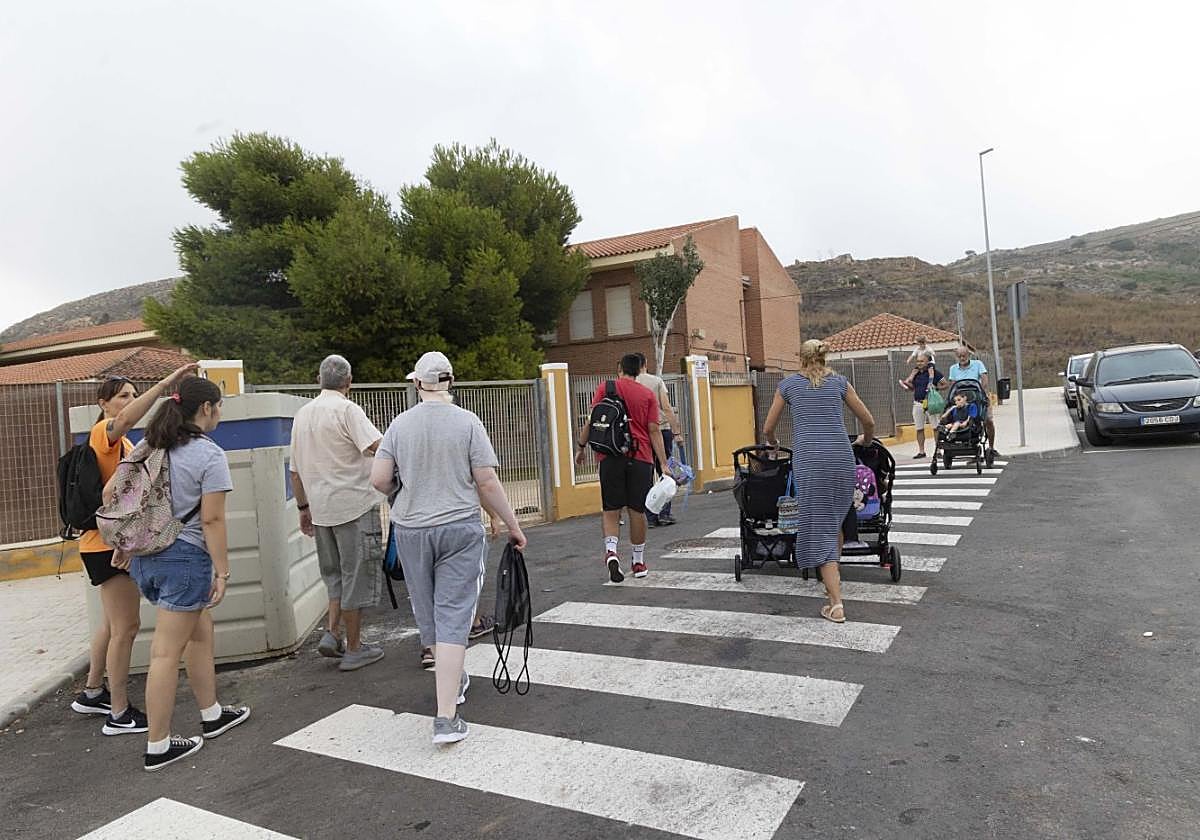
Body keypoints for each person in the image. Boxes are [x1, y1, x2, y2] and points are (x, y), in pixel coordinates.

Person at [371, 351, 527, 745]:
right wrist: (511, 524)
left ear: (418, 384)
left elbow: (379, 480)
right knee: (456, 615)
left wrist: (403, 493)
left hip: (411, 529)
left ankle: (453, 680)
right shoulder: (468, 423)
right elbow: (486, 482)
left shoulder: (399, 425)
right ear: (451, 382)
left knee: (430, 614)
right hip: (459, 527)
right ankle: (445, 717)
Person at [109, 375, 249, 771]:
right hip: (184, 559)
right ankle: (159, 745)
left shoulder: (148, 445)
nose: (220, 412)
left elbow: (113, 497)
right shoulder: (209, 455)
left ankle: (212, 713)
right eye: (219, 405)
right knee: (166, 652)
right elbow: (213, 520)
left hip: (146, 557)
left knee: (199, 631)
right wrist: (222, 571)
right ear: (205, 409)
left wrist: (125, 545)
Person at [70, 363, 198, 737]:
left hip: (105, 542)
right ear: (104, 404)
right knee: (127, 627)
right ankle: (119, 712)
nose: (128, 401)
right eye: (122, 396)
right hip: (105, 546)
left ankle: (94, 692)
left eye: (131, 393)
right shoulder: (103, 433)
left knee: (112, 624)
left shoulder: (122, 443)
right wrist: (163, 385)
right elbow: (127, 420)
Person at [762, 339, 875, 624]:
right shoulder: (839, 383)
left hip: (810, 461)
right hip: (841, 458)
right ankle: (830, 584)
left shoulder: (788, 386)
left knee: (820, 526)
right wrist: (866, 440)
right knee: (833, 521)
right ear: (825, 357)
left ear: (800, 357)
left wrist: (773, 442)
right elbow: (868, 420)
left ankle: (836, 604)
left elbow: (768, 427)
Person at [289, 355, 386, 672]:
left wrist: (303, 508)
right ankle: (355, 649)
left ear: (319, 379)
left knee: (334, 576)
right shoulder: (348, 409)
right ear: (349, 381)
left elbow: (295, 472)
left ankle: (332, 633)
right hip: (353, 505)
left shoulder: (302, 415)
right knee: (356, 576)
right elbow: (377, 447)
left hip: (320, 508)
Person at [575, 353, 669, 583]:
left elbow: (592, 420)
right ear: (640, 370)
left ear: (620, 369)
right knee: (637, 511)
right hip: (640, 458)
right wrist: (663, 464)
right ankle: (638, 562)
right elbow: (654, 431)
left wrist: (580, 447)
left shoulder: (605, 388)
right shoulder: (647, 394)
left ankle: (611, 552)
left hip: (609, 457)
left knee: (611, 510)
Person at [634, 352, 685, 527]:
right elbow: (667, 408)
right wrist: (676, 431)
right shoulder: (656, 381)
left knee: (646, 475)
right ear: (645, 363)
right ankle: (664, 513)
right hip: (661, 430)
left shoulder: (630, 384)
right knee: (666, 472)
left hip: (640, 433)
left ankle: (649, 515)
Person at [947, 346, 999, 457]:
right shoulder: (953, 368)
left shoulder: (978, 364)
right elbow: (953, 385)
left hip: (978, 396)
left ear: (969, 355)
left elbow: (984, 379)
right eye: (959, 356)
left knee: (988, 420)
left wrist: (984, 393)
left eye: (964, 356)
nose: (962, 358)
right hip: (962, 401)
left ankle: (991, 447)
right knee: (958, 419)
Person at [910, 353, 948, 459]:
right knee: (919, 428)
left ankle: (938, 450)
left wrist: (936, 388)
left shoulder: (934, 373)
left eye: (922, 361)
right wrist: (907, 385)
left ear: (928, 362)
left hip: (931, 403)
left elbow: (945, 384)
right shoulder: (916, 374)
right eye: (918, 361)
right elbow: (913, 388)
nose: (919, 363)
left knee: (935, 427)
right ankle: (921, 451)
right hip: (918, 403)